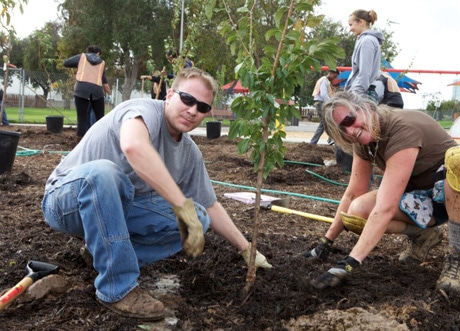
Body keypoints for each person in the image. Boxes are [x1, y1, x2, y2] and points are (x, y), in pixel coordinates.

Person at [41, 67, 272, 321]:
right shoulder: (143, 112)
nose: (193, 110)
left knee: (199, 217)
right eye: (188, 99)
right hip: (65, 201)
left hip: (115, 210)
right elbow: (133, 146)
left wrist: (246, 248)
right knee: (104, 173)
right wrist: (180, 203)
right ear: (170, 94)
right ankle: (117, 289)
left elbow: (210, 205)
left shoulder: (189, 152)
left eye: (203, 107)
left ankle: (105, 255)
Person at [304, 91, 460, 295]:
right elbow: (352, 194)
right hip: (426, 200)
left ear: (366, 107)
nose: (350, 130)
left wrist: (349, 263)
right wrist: (326, 242)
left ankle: (458, 256)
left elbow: (385, 208)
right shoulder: (363, 142)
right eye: (343, 130)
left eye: (350, 119)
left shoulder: (401, 129)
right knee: (357, 211)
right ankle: (424, 234)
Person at [63, 45, 112, 139]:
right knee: (100, 118)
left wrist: (79, 65)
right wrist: (109, 94)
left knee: (82, 119)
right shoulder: (102, 63)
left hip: (81, 89)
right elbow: (105, 84)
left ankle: (80, 142)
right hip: (97, 91)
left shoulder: (81, 57)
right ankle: (99, 140)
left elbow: (66, 63)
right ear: (98, 53)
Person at [344, 9, 385, 103]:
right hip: (361, 93)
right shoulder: (366, 40)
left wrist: (355, 97)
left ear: (361, 22)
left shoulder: (367, 41)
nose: (350, 29)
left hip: (361, 95)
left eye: (351, 24)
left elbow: (365, 73)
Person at [309, 69, 340, 145]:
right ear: (331, 73)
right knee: (325, 122)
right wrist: (331, 103)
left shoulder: (327, 81)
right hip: (321, 103)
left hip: (322, 103)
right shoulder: (324, 80)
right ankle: (314, 143)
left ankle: (330, 139)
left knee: (328, 121)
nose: (334, 79)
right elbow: (324, 95)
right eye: (334, 76)